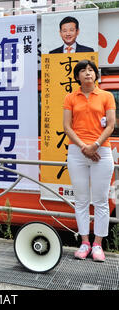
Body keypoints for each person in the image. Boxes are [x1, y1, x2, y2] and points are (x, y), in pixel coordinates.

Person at [63, 60, 115, 262]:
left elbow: (110, 125)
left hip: (101, 151)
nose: (87, 73)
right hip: (77, 152)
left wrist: (94, 145)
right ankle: (84, 242)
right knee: (82, 200)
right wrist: (84, 148)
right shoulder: (70, 97)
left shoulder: (106, 96)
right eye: (83, 71)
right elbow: (67, 126)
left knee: (101, 201)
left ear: (96, 75)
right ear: (77, 76)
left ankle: (98, 245)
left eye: (91, 70)